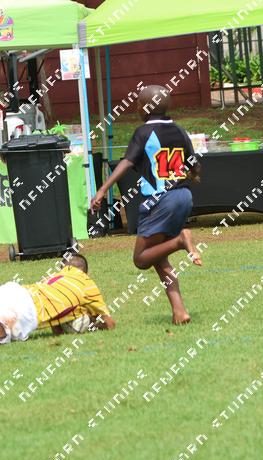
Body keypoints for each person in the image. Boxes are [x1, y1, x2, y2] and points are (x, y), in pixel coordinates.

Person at [90, 85, 202, 325]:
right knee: (158, 256)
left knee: (141, 259)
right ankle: (179, 311)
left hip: (160, 200)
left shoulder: (143, 132)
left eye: (139, 104)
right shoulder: (180, 131)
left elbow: (126, 163)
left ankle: (181, 240)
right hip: (183, 196)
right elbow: (194, 165)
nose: (137, 107)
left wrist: (102, 190)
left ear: (146, 108)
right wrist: (192, 174)